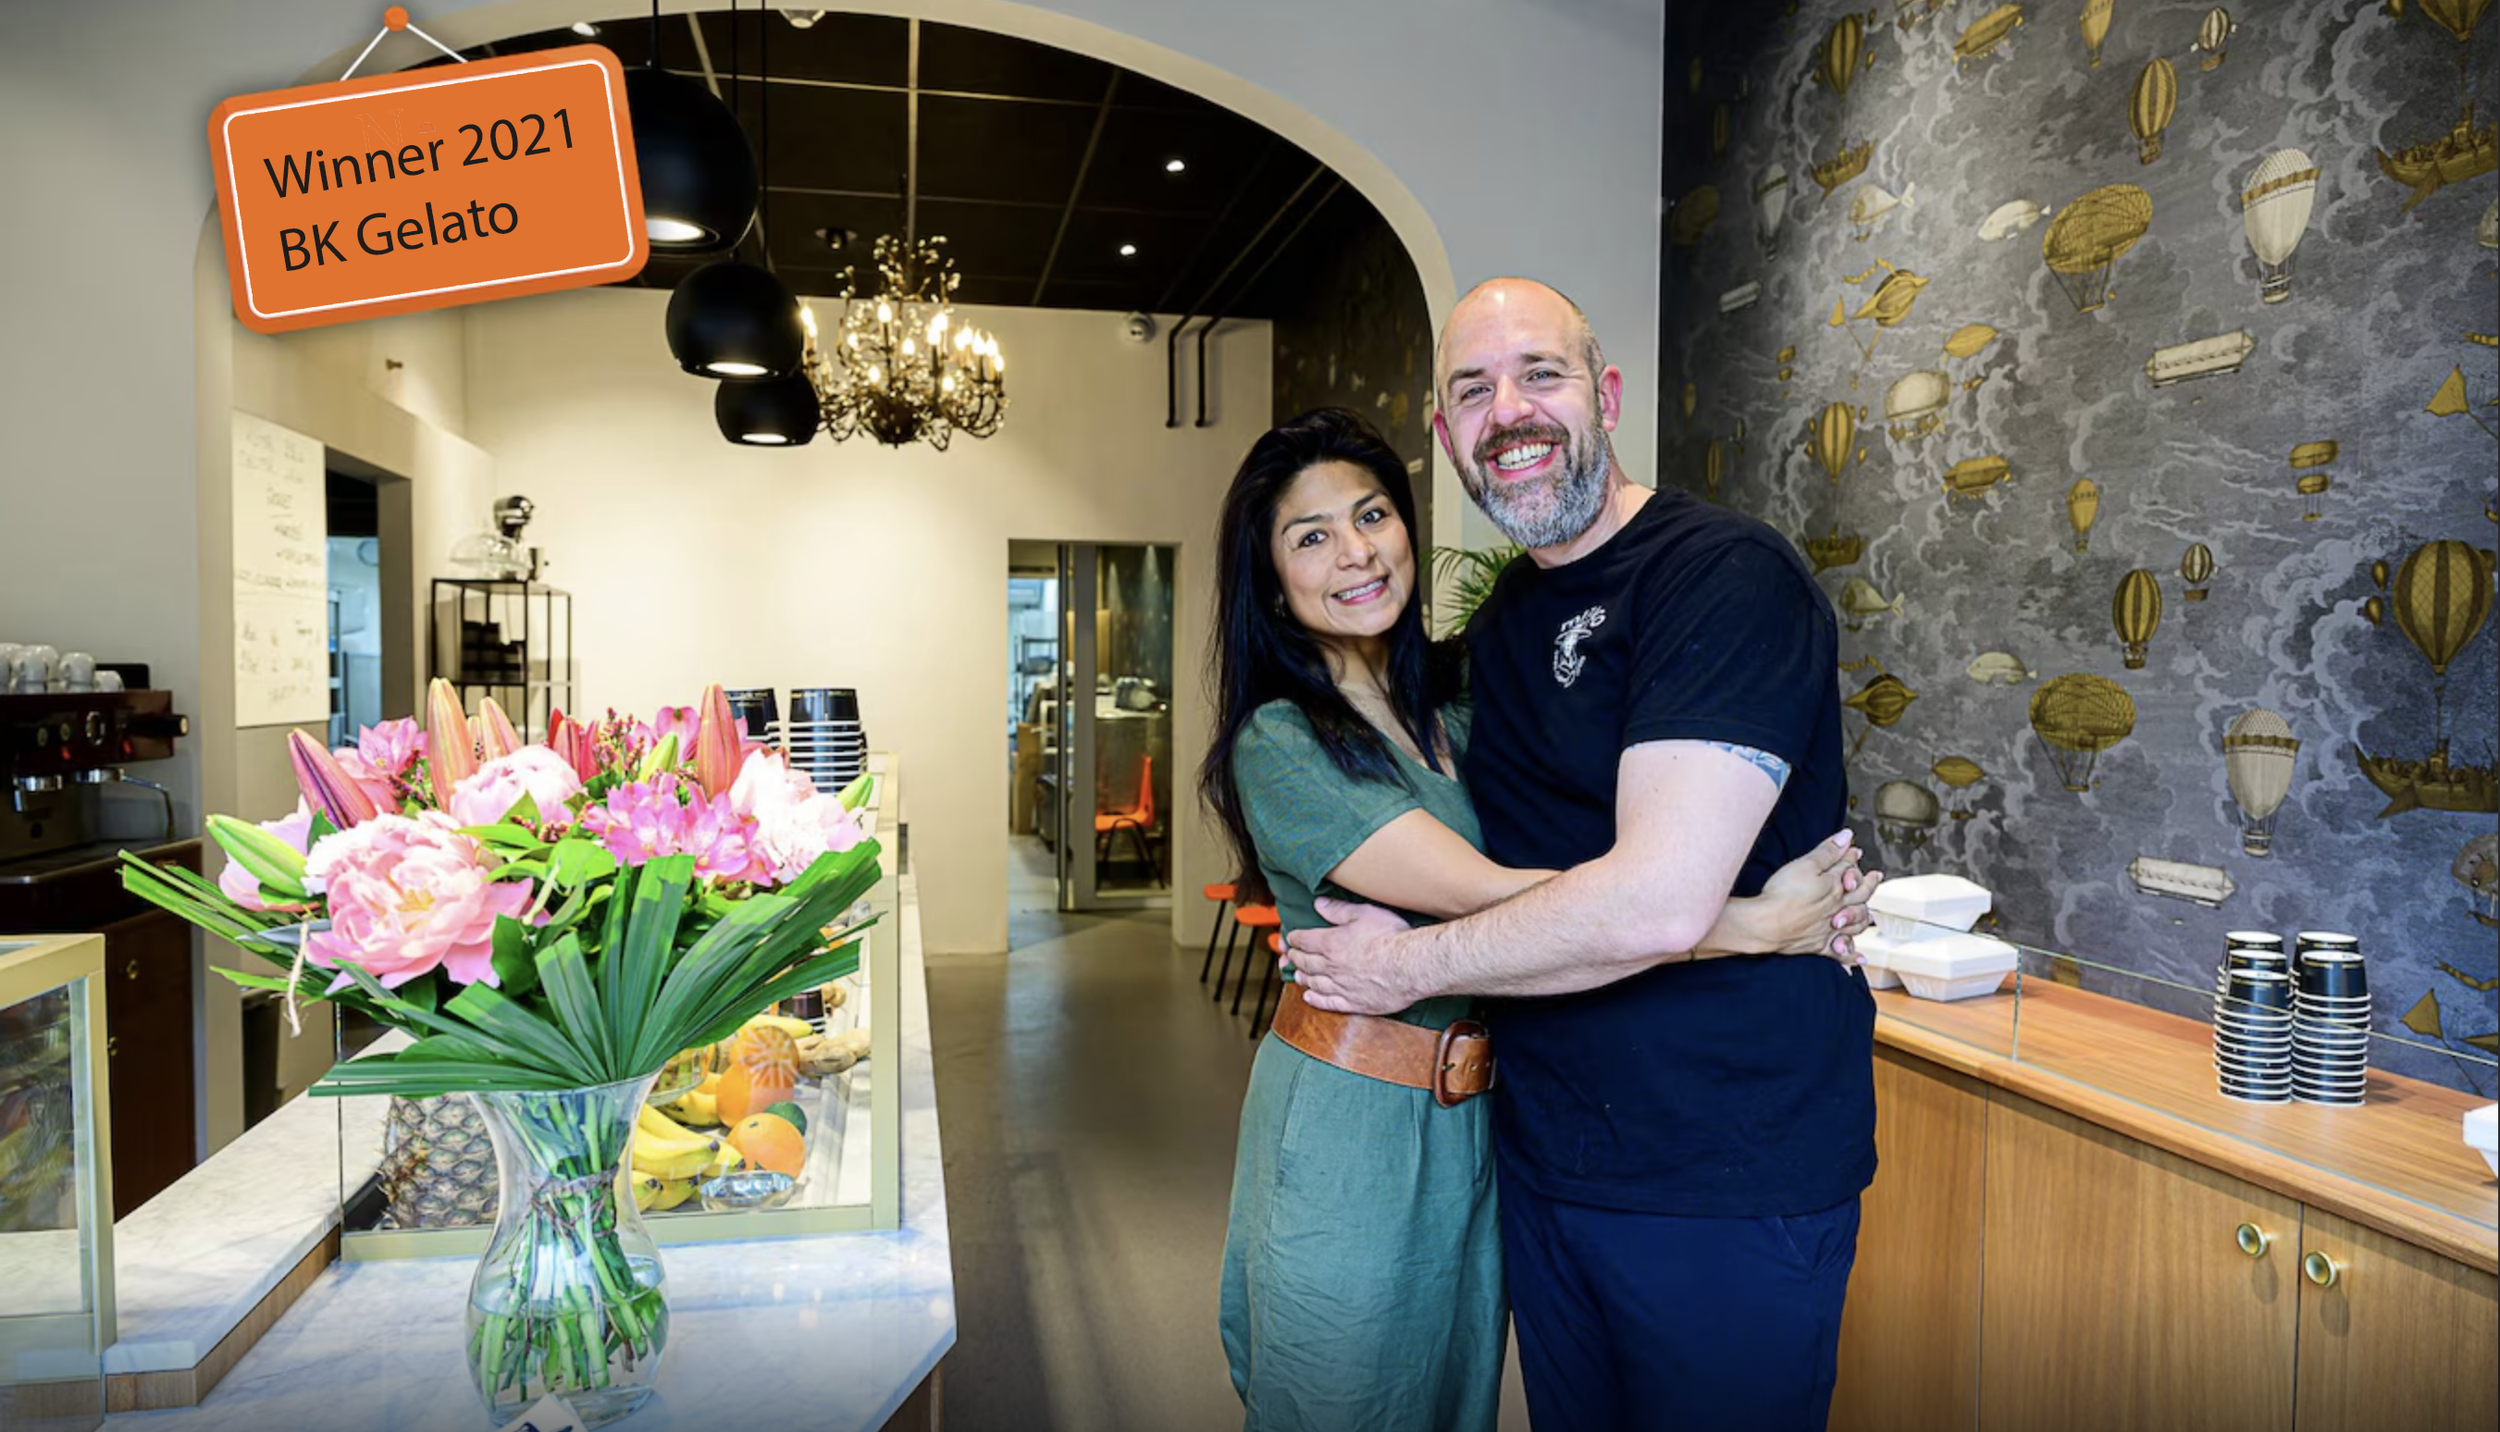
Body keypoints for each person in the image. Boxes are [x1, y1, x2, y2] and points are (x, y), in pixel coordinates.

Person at [1204, 406, 1875, 1432]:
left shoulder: (1457, 701)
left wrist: (1695, 870)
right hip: (1350, 1116)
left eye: (1372, 515)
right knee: (1340, 1400)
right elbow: (1482, 888)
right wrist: (1738, 920)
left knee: (1450, 1393)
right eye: (1311, 536)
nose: (1355, 553)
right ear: (1270, 579)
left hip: (1474, 1118)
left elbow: (1595, 816)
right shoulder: (1283, 740)